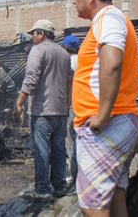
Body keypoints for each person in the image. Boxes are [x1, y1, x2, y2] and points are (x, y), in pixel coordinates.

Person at [71, 0, 138, 217]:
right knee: (114, 196)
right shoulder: (113, 19)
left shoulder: (107, 17)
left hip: (106, 126)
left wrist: (102, 114)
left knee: (92, 205)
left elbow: (112, 62)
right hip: (120, 121)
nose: (73, 2)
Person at [14, 19, 71, 201]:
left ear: (42, 34)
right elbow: (70, 80)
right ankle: (60, 185)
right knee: (59, 149)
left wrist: (19, 102)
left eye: (34, 34)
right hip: (61, 111)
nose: (32, 38)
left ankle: (42, 190)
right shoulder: (63, 54)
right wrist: (67, 102)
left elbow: (31, 78)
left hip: (42, 112)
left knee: (41, 150)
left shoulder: (37, 50)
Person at [61, 34, 81, 187]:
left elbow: (66, 84)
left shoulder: (67, 62)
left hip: (72, 104)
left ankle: (73, 176)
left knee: (70, 140)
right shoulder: (84, 59)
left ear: (66, 47)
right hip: (85, 105)